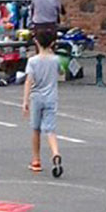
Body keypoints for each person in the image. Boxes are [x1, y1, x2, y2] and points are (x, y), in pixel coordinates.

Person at [23, 29, 63, 178]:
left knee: (35, 129)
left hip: (36, 97)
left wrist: (25, 100)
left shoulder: (32, 61)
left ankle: (36, 160)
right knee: (50, 129)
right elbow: (60, 73)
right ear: (52, 43)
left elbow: (29, 80)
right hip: (51, 97)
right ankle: (55, 153)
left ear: (36, 42)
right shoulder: (56, 60)